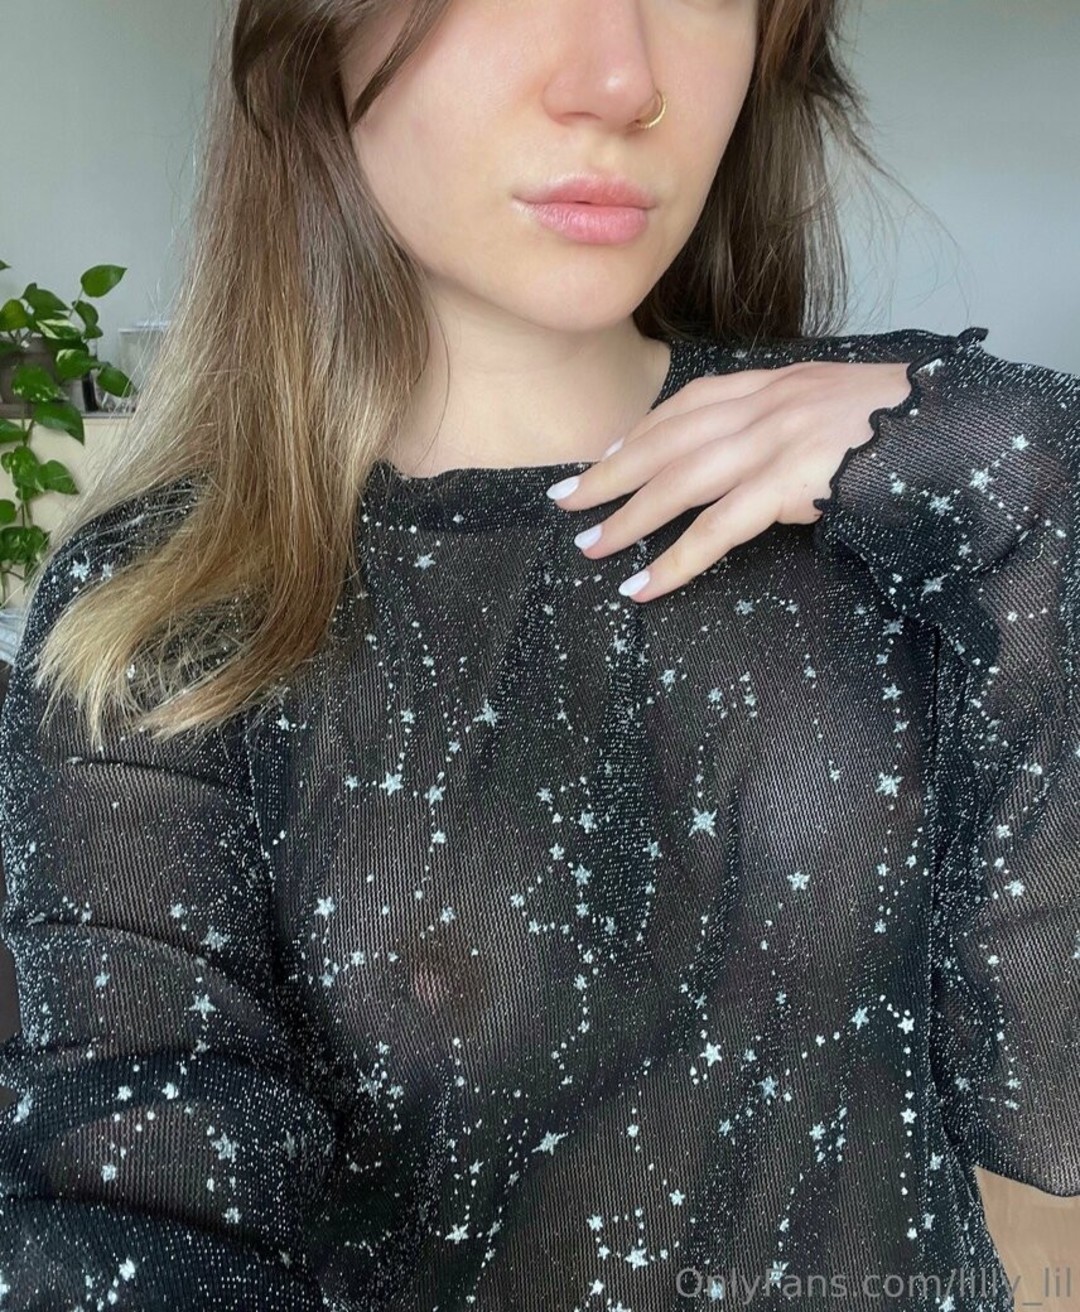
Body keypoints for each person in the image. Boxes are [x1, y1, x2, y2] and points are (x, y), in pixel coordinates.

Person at [0, 0, 1076, 1308]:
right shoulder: (162, 617)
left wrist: (1036, 473)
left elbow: (1049, 1102)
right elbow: (143, 1205)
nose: (621, 81)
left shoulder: (927, 478)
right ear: (318, 33)